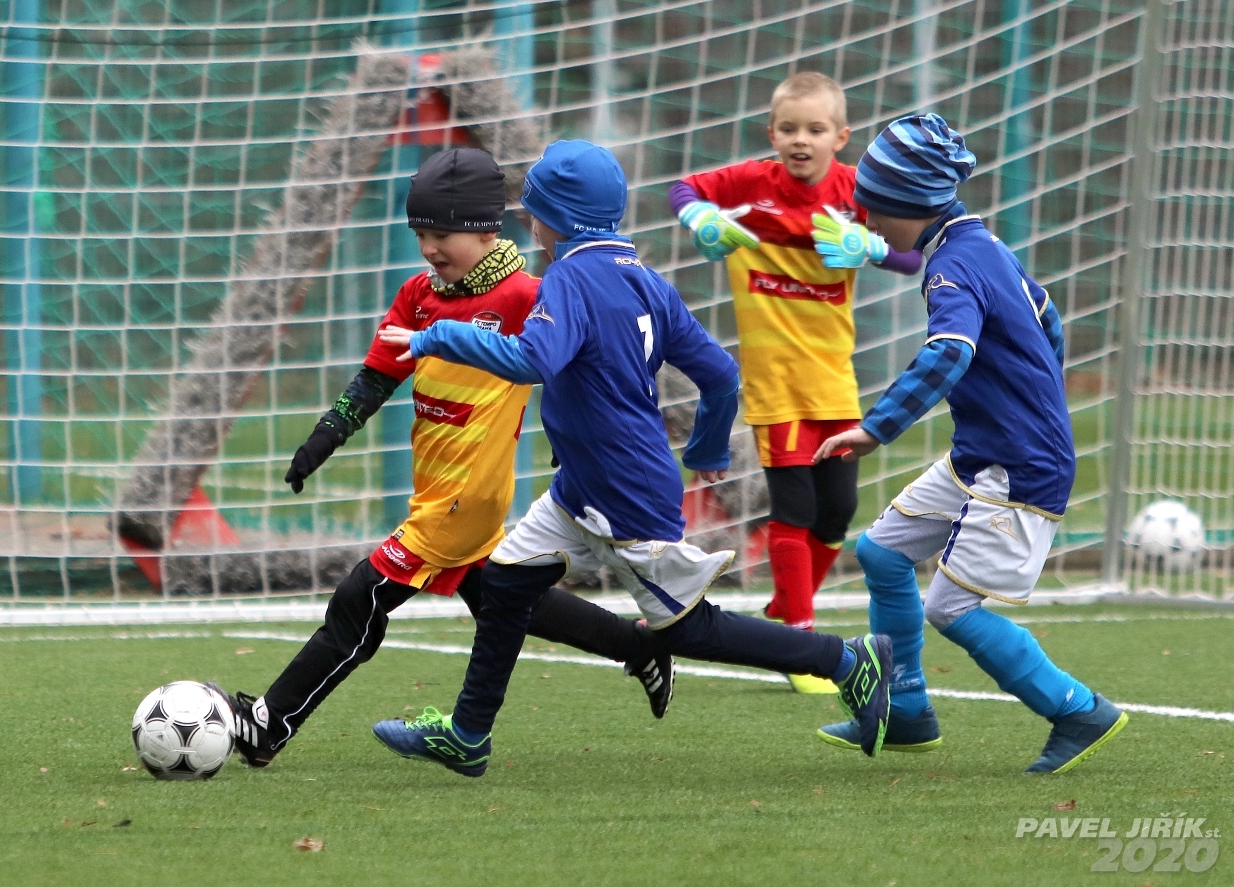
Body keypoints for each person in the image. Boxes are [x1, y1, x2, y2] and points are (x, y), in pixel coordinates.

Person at [369, 139, 892, 777]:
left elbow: (533, 360)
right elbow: (721, 375)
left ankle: (846, 661)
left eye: (533, 214)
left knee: (686, 630)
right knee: (504, 581)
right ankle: (468, 735)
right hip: (585, 484)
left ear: (555, 218)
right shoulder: (645, 280)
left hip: (623, 491)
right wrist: (705, 447)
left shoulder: (570, 277)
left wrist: (438, 336)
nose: (529, 226)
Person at [215, 148, 673, 769]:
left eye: (442, 234)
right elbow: (378, 375)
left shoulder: (529, 296)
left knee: (360, 600)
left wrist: (593, 439)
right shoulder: (418, 295)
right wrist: (326, 435)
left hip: (466, 499)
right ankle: (638, 647)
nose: (429, 249)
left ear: (486, 231)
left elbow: (583, 359)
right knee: (509, 599)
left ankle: (269, 724)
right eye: (421, 234)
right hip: (437, 491)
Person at [810, 114, 1127, 774]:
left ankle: (1077, 709)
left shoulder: (950, 267)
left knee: (950, 607)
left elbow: (949, 351)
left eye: (875, 208)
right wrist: (1034, 390)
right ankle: (906, 710)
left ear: (911, 203)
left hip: (1019, 465)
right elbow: (1046, 314)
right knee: (882, 552)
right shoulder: (982, 245)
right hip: (984, 452)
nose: (869, 221)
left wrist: (875, 427)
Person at [670, 72, 923, 694]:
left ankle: (789, 600)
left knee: (838, 512)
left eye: (815, 129)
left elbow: (916, 253)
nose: (800, 140)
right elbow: (683, 188)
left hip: (833, 379)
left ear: (841, 137)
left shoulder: (857, 191)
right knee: (795, 508)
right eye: (788, 129)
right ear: (772, 134)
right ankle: (802, 643)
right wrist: (701, 218)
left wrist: (871, 248)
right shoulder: (751, 184)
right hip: (775, 383)